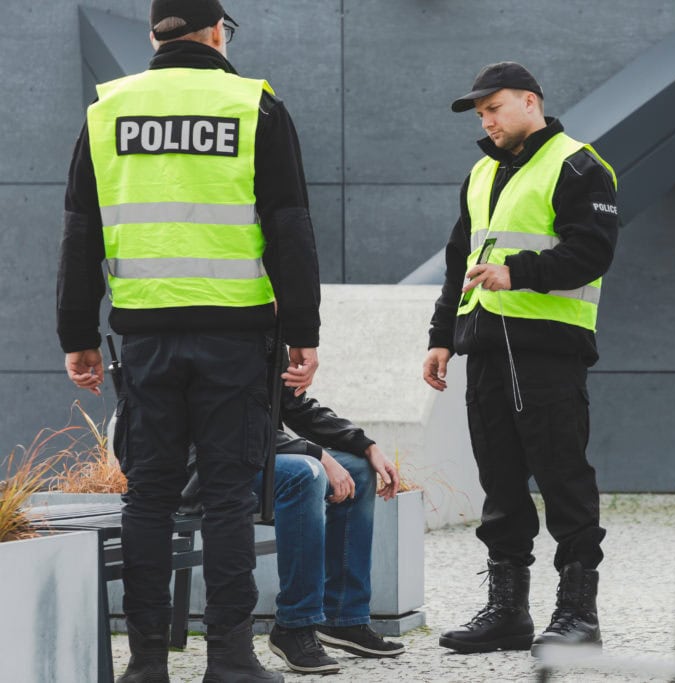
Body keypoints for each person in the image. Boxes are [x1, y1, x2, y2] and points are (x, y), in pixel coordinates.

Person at [57, 1, 321, 681]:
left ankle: (146, 664)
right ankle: (229, 657)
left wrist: (78, 333)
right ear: (215, 33)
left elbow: (80, 232)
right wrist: (302, 330)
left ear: (153, 35)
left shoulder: (106, 111)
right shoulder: (255, 106)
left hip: (144, 336)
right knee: (230, 497)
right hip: (235, 334)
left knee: (148, 494)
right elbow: (289, 225)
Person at [422, 62, 618, 655]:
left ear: (530, 102)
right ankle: (508, 613)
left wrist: (518, 273)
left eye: (494, 107)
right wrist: (441, 335)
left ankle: (578, 617)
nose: (486, 120)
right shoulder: (482, 172)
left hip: (547, 351)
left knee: (564, 481)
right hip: (483, 347)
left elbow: (593, 252)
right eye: (480, 112)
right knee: (500, 486)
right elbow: (459, 261)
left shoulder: (580, 165)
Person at [258, 388, 406, 673]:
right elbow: (238, 424)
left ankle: (343, 617)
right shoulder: (226, 344)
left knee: (359, 471)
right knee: (306, 473)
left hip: (263, 451)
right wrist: (318, 455)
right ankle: (294, 625)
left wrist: (367, 446)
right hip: (215, 462)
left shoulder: (266, 343)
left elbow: (297, 407)